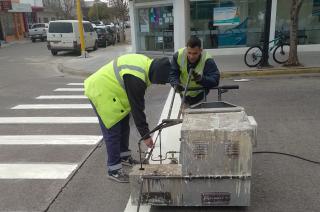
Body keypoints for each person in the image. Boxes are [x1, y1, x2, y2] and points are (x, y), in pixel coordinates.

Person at [84, 54, 171, 183]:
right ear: (156, 75)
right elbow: (137, 110)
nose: (156, 84)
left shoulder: (146, 65)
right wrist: (146, 136)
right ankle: (113, 170)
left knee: (124, 124)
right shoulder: (137, 78)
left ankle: (123, 156)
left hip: (112, 91)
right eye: (158, 81)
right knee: (113, 131)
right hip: (102, 91)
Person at [169, 36, 220, 106]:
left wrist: (202, 79)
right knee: (185, 115)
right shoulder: (178, 56)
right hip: (184, 94)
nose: (191, 56)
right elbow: (172, 74)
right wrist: (175, 84)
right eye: (189, 53)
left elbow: (215, 80)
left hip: (200, 95)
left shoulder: (207, 60)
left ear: (200, 50)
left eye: (195, 53)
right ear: (186, 49)